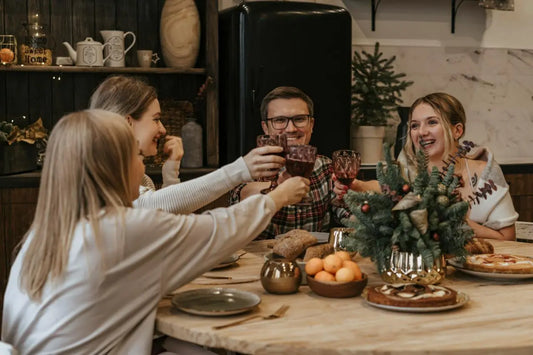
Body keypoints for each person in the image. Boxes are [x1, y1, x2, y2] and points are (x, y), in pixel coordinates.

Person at [1, 110, 309, 354]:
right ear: (114, 166)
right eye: (137, 156)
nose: (141, 166)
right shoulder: (120, 229)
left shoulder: (43, 234)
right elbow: (219, 230)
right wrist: (276, 198)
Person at [89, 75, 285, 214]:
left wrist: (170, 172)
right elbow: (147, 207)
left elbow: (165, 221)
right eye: (156, 119)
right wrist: (240, 170)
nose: (163, 129)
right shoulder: (97, 174)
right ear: (128, 121)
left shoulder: (143, 180)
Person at [335, 92, 518, 241]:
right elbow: (386, 189)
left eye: (432, 122)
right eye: (414, 125)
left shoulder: (486, 173)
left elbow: (508, 238)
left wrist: (458, 222)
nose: (421, 132)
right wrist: (356, 185)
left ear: (457, 130)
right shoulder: (407, 170)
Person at [229, 86, 352, 239]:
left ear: (311, 125)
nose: (291, 129)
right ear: (265, 128)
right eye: (280, 120)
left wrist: (366, 207)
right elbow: (240, 196)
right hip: (259, 259)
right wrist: (278, 187)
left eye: (299, 119)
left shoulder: (326, 166)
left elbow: (345, 212)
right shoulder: (252, 165)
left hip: (313, 259)